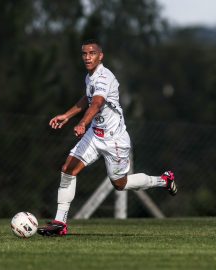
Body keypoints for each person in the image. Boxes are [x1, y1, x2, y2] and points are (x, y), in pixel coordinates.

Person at [37, 39, 177, 237]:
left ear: (100, 56)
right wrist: (67, 116)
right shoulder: (90, 77)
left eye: (92, 53)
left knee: (119, 184)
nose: (87, 57)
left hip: (115, 141)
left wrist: (82, 123)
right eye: (84, 53)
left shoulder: (104, 77)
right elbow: (87, 99)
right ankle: (60, 223)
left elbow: (96, 103)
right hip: (95, 136)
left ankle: (164, 180)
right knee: (68, 169)